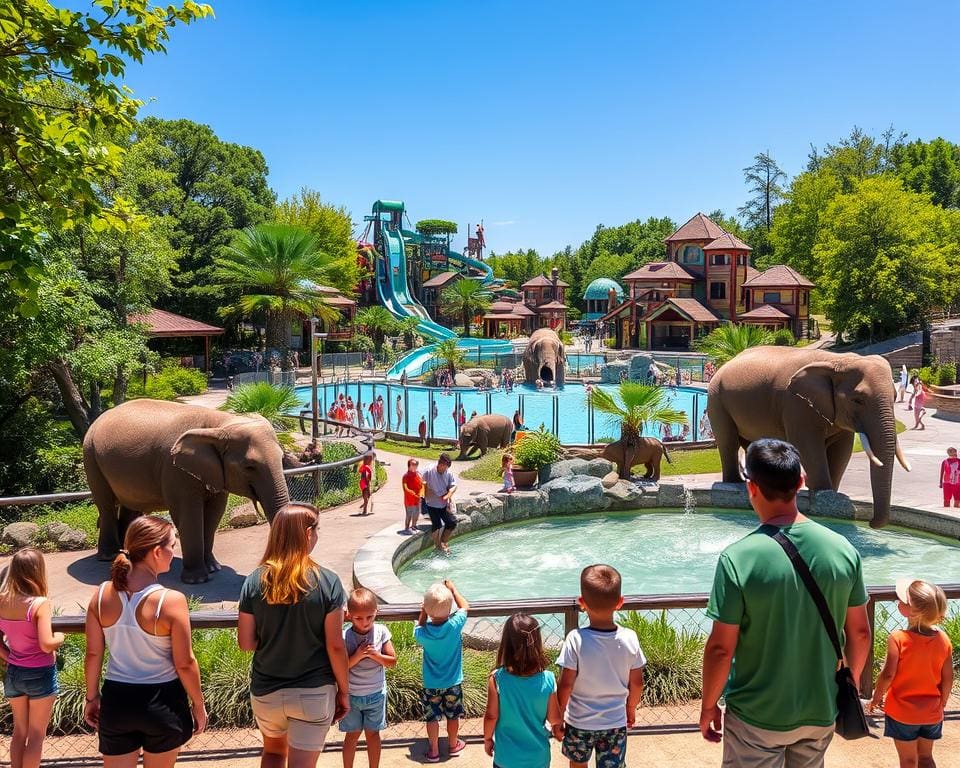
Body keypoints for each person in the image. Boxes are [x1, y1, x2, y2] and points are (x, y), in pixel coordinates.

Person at [699, 439, 872, 767]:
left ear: (751, 487)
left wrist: (709, 705)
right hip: (820, 709)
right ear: (801, 482)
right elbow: (861, 634)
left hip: (756, 715)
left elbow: (721, 649)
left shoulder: (737, 559)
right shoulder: (843, 550)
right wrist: (844, 688)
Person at [84, 516, 206, 767]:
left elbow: (93, 654)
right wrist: (198, 703)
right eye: (172, 545)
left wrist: (91, 697)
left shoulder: (100, 595)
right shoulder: (170, 601)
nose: (174, 552)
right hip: (162, 702)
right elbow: (184, 662)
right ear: (156, 551)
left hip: (117, 700)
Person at [237, 505, 349, 768]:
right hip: (314, 691)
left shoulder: (254, 581)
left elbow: (245, 643)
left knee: (274, 754)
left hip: (267, 691)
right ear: (308, 533)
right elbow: (335, 646)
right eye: (317, 529)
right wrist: (344, 691)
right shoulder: (328, 581)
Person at [557, 564, 645, 768]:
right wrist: (630, 708)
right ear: (620, 603)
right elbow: (637, 683)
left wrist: (558, 716)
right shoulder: (629, 638)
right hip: (615, 722)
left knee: (578, 764)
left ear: (582, 603)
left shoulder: (575, 639)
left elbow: (565, 684)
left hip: (579, 722)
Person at [868, 579, 952, 768]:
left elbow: (888, 675)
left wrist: (877, 697)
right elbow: (948, 677)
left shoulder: (898, 638)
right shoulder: (943, 639)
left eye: (902, 600)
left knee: (908, 761)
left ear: (911, 611)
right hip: (932, 712)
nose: (898, 601)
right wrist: (942, 701)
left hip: (902, 713)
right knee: (926, 758)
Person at [0, 548, 64, 768]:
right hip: (40, 673)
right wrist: (60, 637)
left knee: (19, 732)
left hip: (14, 673)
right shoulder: (39, 603)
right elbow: (46, 644)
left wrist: (9, 656)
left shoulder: (2, 601)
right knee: (36, 735)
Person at [483, 613, 563, 768]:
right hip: (538, 759)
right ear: (538, 642)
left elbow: (491, 716)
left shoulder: (497, 679)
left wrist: (487, 739)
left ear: (506, 644)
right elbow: (554, 719)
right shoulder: (547, 679)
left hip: (506, 758)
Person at [340, 588, 397, 768]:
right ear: (349, 615)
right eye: (358, 618)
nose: (364, 622)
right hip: (352, 696)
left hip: (376, 694)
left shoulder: (381, 632)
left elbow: (392, 661)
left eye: (369, 617)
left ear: (376, 612)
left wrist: (375, 655)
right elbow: (340, 667)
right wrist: (357, 655)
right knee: (352, 735)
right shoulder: (345, 636)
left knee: (373, 735)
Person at [415, 580, 470, 762]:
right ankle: (453, 745)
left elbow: (419, 627)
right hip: (453, 682)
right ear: (449, 610)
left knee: (432, 718)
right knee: (453, 716)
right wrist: (453, 590)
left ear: (428, 610)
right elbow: (465, 607)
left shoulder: (424, 634)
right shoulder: (455, 625)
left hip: (431, 684)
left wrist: (423, 611)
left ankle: (434, 750)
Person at [423, 453, 458, 554]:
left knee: (451, 523)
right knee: (437, 524)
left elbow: (453, 485)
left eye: (447, 467)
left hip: (443, 504)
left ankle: (443, 542)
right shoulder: (429, 471)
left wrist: (449, 495)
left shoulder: (448, 473)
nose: (446, 469)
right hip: (431, 503)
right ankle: (438, 546)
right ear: (440, 464)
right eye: (445, 467)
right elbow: (421, 481)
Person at [402, 458, 424, 534]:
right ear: (409, 465)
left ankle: (414, 526)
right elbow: (405, 487)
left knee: (417, 513)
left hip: (417, 498)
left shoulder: (418, 474)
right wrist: (411, 493)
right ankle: (407, 528)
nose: (416, 466)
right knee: (409, 514)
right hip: (410, 499)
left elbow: (421, 483)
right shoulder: (406, 476)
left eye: (416, 464)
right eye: (413, 464)